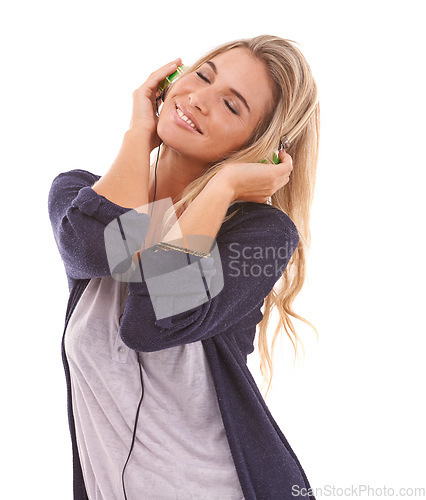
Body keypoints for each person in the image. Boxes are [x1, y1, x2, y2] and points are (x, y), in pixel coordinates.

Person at [48, 34, 319, 500]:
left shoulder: (259, 236)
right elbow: (98, 244)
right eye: (202, 76)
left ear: (260, 148)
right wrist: (138, 134)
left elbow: (152, 320)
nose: (198, 100)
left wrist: (223, 187)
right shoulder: (78, 197)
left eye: (232, 106)